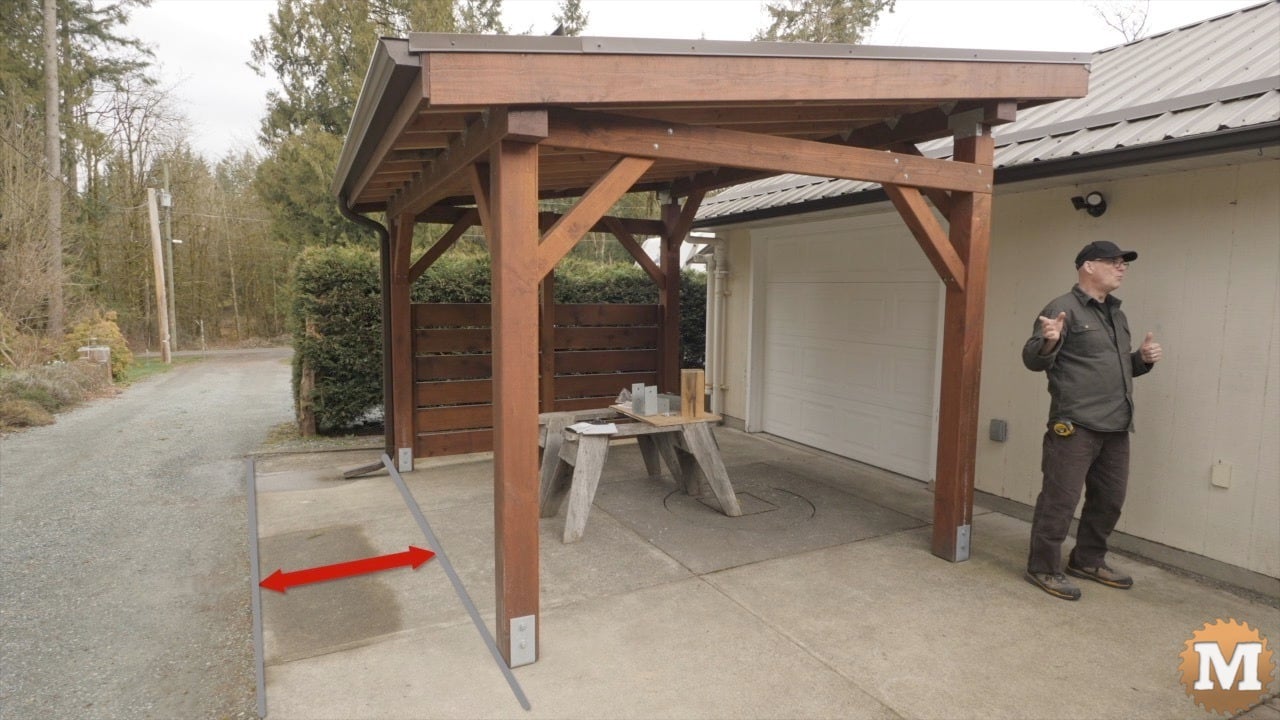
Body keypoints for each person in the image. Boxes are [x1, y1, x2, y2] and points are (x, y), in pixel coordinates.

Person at [1021, 240, 1163, 601]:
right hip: (1075, 425)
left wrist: (1142, 360)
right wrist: (1049, 341)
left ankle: (1087, 560)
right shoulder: (1062, 309)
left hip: (1116, 426)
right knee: (1060, 500)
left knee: (1110, 500)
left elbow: (1112, 367)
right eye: (1114, 262)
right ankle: (1043, 567)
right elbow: (1034, 360)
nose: (1122, 268)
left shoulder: (1117, 314)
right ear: (1087, 266)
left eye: (1124, 263)